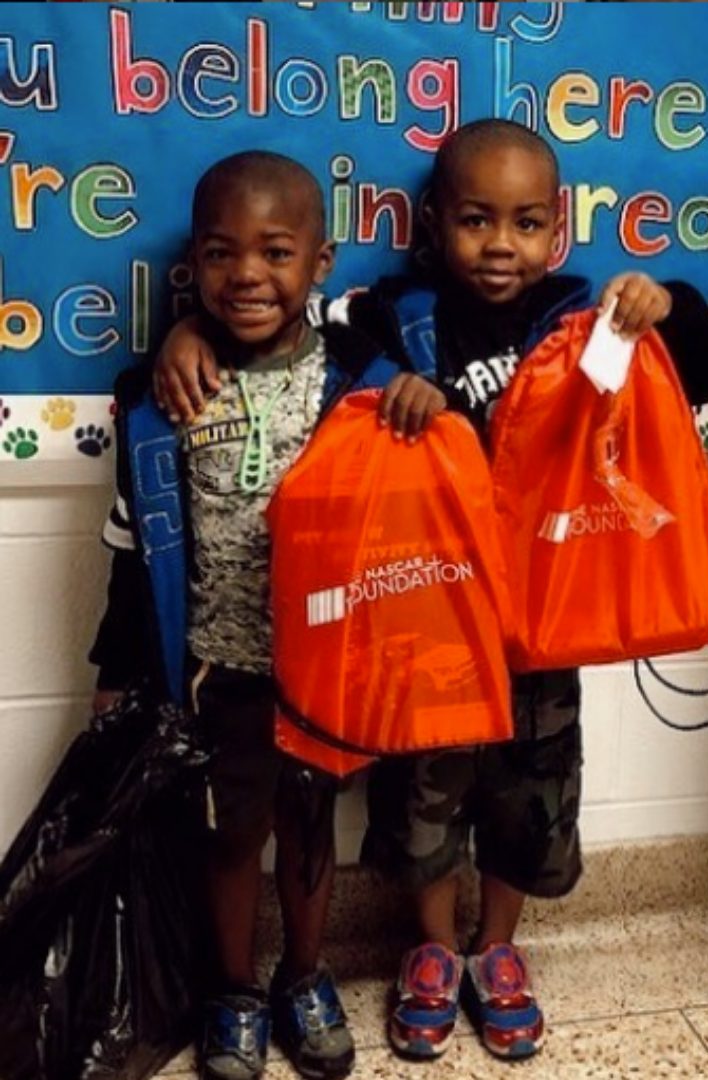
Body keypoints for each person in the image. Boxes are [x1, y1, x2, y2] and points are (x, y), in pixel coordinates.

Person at [152, 119, 708, 1064]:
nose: (499, 244)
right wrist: (186, 325)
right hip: (426, 622)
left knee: (528, 797)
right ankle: (428, 951)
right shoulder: (390, 320)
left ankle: (496, 952)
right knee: (421, 794)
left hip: (543, 624)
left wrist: (667, 302)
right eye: (474, 220)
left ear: (558, 231)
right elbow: (287, 333)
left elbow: (701, 369)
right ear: (432, 225)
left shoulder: (585, 318)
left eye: (524, 223)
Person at [88, 150, 438, 1080]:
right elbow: (133, 554)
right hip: (221, 672)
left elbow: (430, 477)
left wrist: (420, 398)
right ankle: (235, 990)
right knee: (230, 832)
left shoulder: (363, 378)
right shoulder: (158, 397)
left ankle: (305, 975)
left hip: (325, 671)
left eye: (276, 252)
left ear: (320, 264)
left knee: (313, 827)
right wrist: (114, 679)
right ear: (193, 267)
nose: (247, 274)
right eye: (220, 254)